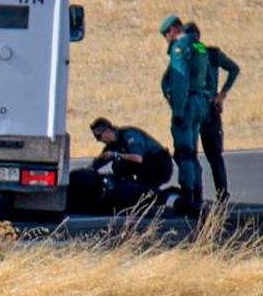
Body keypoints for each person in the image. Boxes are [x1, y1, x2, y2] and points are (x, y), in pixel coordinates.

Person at [158, 15, 211, 215]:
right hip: (200, 102)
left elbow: (180, 82)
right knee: (192, 151)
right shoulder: (200, 47)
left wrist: (178, 110)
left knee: (184, 152)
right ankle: (197, 192)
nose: (166, 38)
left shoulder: (179, 48)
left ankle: (188, 196)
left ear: (173, 30)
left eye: (166, 34)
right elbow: (209, 76)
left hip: (186, 104)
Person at [183, 22, 240, 202]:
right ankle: (198, 194)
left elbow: (234, 69)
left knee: (211, 155)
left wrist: (221, 94)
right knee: (196, 155)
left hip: (205, 111)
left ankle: (218, 195)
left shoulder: (208, 54)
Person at [69, 117, 172, 212]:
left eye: (99, 136)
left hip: (159, 165)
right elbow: (96, 165)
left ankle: (156, 195)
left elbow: (138, 158)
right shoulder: (112, 146)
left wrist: (115, 155)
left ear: (107, 131)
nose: (98, 140)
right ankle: (140, 194)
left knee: (121, 164)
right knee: (119, 166)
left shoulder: (128, 135)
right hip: (146, 168)